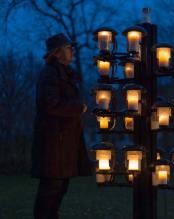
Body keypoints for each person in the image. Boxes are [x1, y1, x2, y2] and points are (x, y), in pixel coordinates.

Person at [31, 33, 92, 219]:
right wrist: (78, 108)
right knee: (51, 189)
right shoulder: (50, 74)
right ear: (57, 53)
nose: (72, 50)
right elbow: (50, 104)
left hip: (63, 142)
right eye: (67, 47)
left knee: (59, 188)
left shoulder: (63, 73)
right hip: (53, 143)